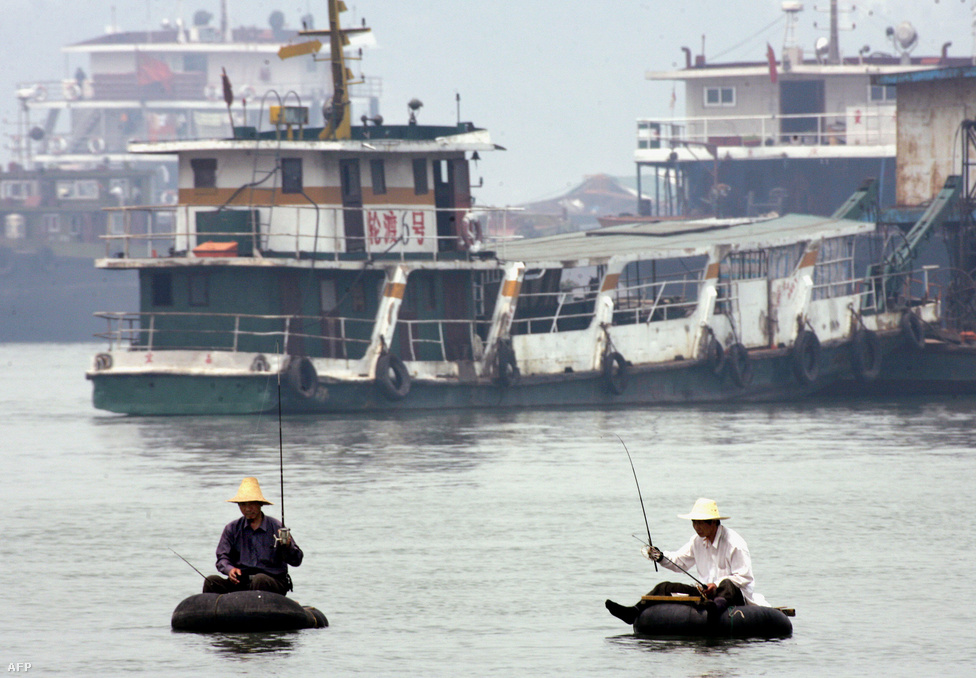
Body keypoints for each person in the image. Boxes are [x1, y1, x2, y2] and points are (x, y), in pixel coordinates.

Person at [606, 497, 769, 625]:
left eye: (700, 522)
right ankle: (634, 611)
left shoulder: (735, 543)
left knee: (727, 585)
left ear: (713, 522)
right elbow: (680, 562)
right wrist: (660, 556)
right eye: (694, 522)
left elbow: (745, 578)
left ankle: (713, 610)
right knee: (664, 587)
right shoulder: (697, 541)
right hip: (705, 594)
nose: (696, 527)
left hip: (732, 595)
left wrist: (716, 585)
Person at [203, 477, 303, 596]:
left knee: (260, 580)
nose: (247, 509)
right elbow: (222, 557)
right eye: (243, 505)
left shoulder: (276, 527)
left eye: (251, 504)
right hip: (241, 581)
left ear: (260, 504)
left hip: (271, 582)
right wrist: (230, 569)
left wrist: (287, 547)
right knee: (211, 581)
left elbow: (296, 560)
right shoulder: (232, 528)